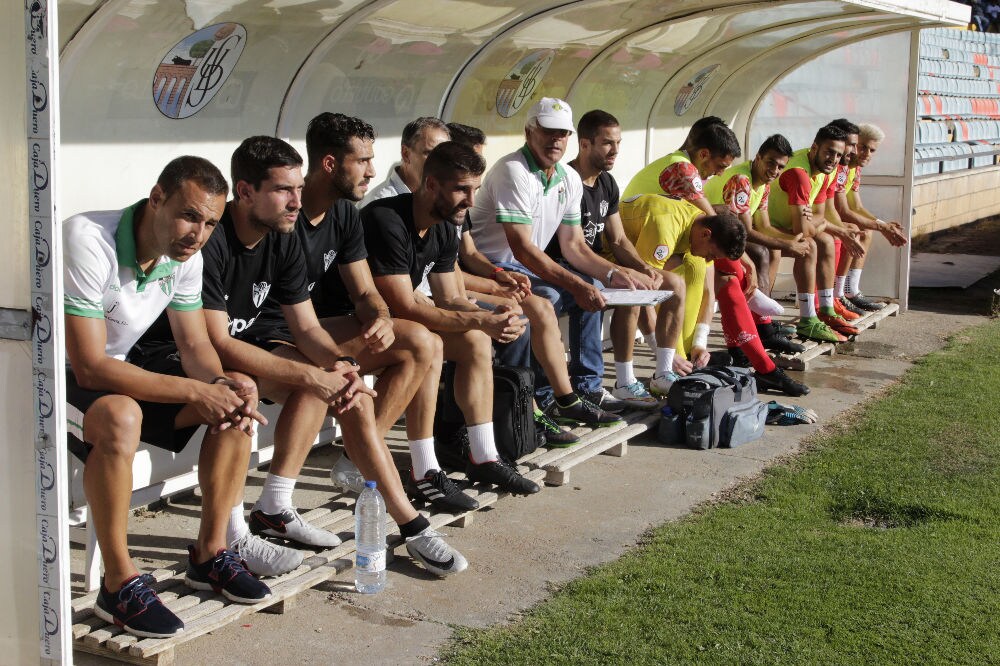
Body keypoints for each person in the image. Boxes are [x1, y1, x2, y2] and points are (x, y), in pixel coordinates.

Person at [199, 136, 468, 576]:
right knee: (295, 382)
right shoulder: (215, 238)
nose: (295, 201)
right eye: (284, 191)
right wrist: (316, 374)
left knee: (347, 388)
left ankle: (409, 525)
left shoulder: (282, 232)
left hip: (263, 342)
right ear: (244, 191)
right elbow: (217, 343)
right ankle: (235, 535)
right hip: (206, 360)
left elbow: (305, 327)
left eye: (298, 190)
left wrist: (338, 367)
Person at [64, 157, 273, 638]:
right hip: (46, 375)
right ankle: (117, 584)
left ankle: (210, 553)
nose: (197, 234)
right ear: (156, 197)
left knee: (233, 398)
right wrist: (195, 389)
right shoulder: (88, 239)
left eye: (210, 223)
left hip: (113, 370)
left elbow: (195, 345)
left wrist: (221, 386)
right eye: (189, 215)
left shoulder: (185, 257)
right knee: (120, 416)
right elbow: (90, 366)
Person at [255, 112, 476, 512]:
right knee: (329, 375)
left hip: (311, 329)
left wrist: (380, 315)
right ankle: (280, 505)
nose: (372, 171)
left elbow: (365, 291)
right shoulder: (283, 216)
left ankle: (365, 461)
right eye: (362, 161)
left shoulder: (342, 214)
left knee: (420, 342)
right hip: (272, 336)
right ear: (329, 164)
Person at [362, 140, 544, 494]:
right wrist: (482, 320)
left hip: (391, 326)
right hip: (356, 323)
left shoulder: (446, 223)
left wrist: (491, 315)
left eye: (475, 189)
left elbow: (450, 298)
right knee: (427, 341)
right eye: (462, 189)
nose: (471, 201)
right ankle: (418, 466)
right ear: (431, 184)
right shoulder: (386, 218)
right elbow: (405, 307)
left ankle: (483, 456)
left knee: (475, 340)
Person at [469, 97, 655, 415]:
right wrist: (579, 284)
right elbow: (521, 248)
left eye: (563, 133)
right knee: (555, 294)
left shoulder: (567, 179)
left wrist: (610, 275)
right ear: (530, 131)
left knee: (591, 290)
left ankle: (588, 388)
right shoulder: (513, 170)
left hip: (522, 265)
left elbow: (575, 246)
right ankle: (542, 396)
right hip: (489, 266)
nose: (556, 140)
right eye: (548, 131)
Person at [618, 195, 809, 397]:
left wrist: (700, 342)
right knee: (677, 280)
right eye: (712, 255)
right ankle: (668, 364)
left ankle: (686, 358)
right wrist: (664, 353)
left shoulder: (701, 228)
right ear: (706, 235)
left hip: (646, 250)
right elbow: (644, 293)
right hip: (607, 252)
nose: (710, 259)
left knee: (702, 271)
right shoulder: (665, 227)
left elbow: (709, 293)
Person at [562, 109, 671, 409]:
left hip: (593, 262)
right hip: (565, 264)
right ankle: (607, 383)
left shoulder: (607, 183)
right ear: (585, 144)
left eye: (618, 143)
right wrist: (618, 273)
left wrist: (643, 267)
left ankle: (662, 368)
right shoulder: (567, 181)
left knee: (658, 282)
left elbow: (619, 239)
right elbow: (570, 249)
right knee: (612, 289)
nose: (615, 151)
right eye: (607, 143)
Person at [624, 119, 744, 378]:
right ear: (703, 154)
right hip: (634, 244)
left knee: (701, 264)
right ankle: (673, 362)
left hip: (663, 236)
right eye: (720, 166)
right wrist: (662, 352)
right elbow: (714, 219)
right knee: (685, 272)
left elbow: (710, 286)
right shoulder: (683, 169)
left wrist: (702, 340)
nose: (722, 174)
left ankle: (691, 353)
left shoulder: (688, 172)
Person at [703, 134, 811, 354]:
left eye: (780, 166)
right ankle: (763, 328)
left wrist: (790, 241)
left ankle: (763, 322)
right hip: (709, 237)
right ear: (758, 157)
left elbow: (765, 226)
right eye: (771, 162)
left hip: (725, 235)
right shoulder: (742, 180)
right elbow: (746, 232)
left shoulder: (764, 184)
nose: (775, 170)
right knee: (761, 252)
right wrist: (788, 245)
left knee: (774, 250)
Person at [767, 124, 865, 342]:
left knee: (827, 241)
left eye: (839, 154)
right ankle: (807, 318)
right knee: (810, 245)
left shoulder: (824, 171)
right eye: (829, 152)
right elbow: (803, 228)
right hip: (769, 226)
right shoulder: (800, 174)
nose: (834, 158)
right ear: (814, 148)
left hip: (791, 226)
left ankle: (827, 309)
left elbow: (820, 214)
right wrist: (815, 224)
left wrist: (821, 225)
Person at [830, 122, 907, 313]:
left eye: (872, 150)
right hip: (823, 215)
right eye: (863, 147)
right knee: (855, 231)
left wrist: (881, 224)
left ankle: (851, 291)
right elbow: (843, 210)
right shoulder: (842, 167)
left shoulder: (855, 169)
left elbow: (856, 206)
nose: (867, 153)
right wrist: (882, 227)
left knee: (866, 231)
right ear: (853, 144)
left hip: (830, 215)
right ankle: (838, 294)